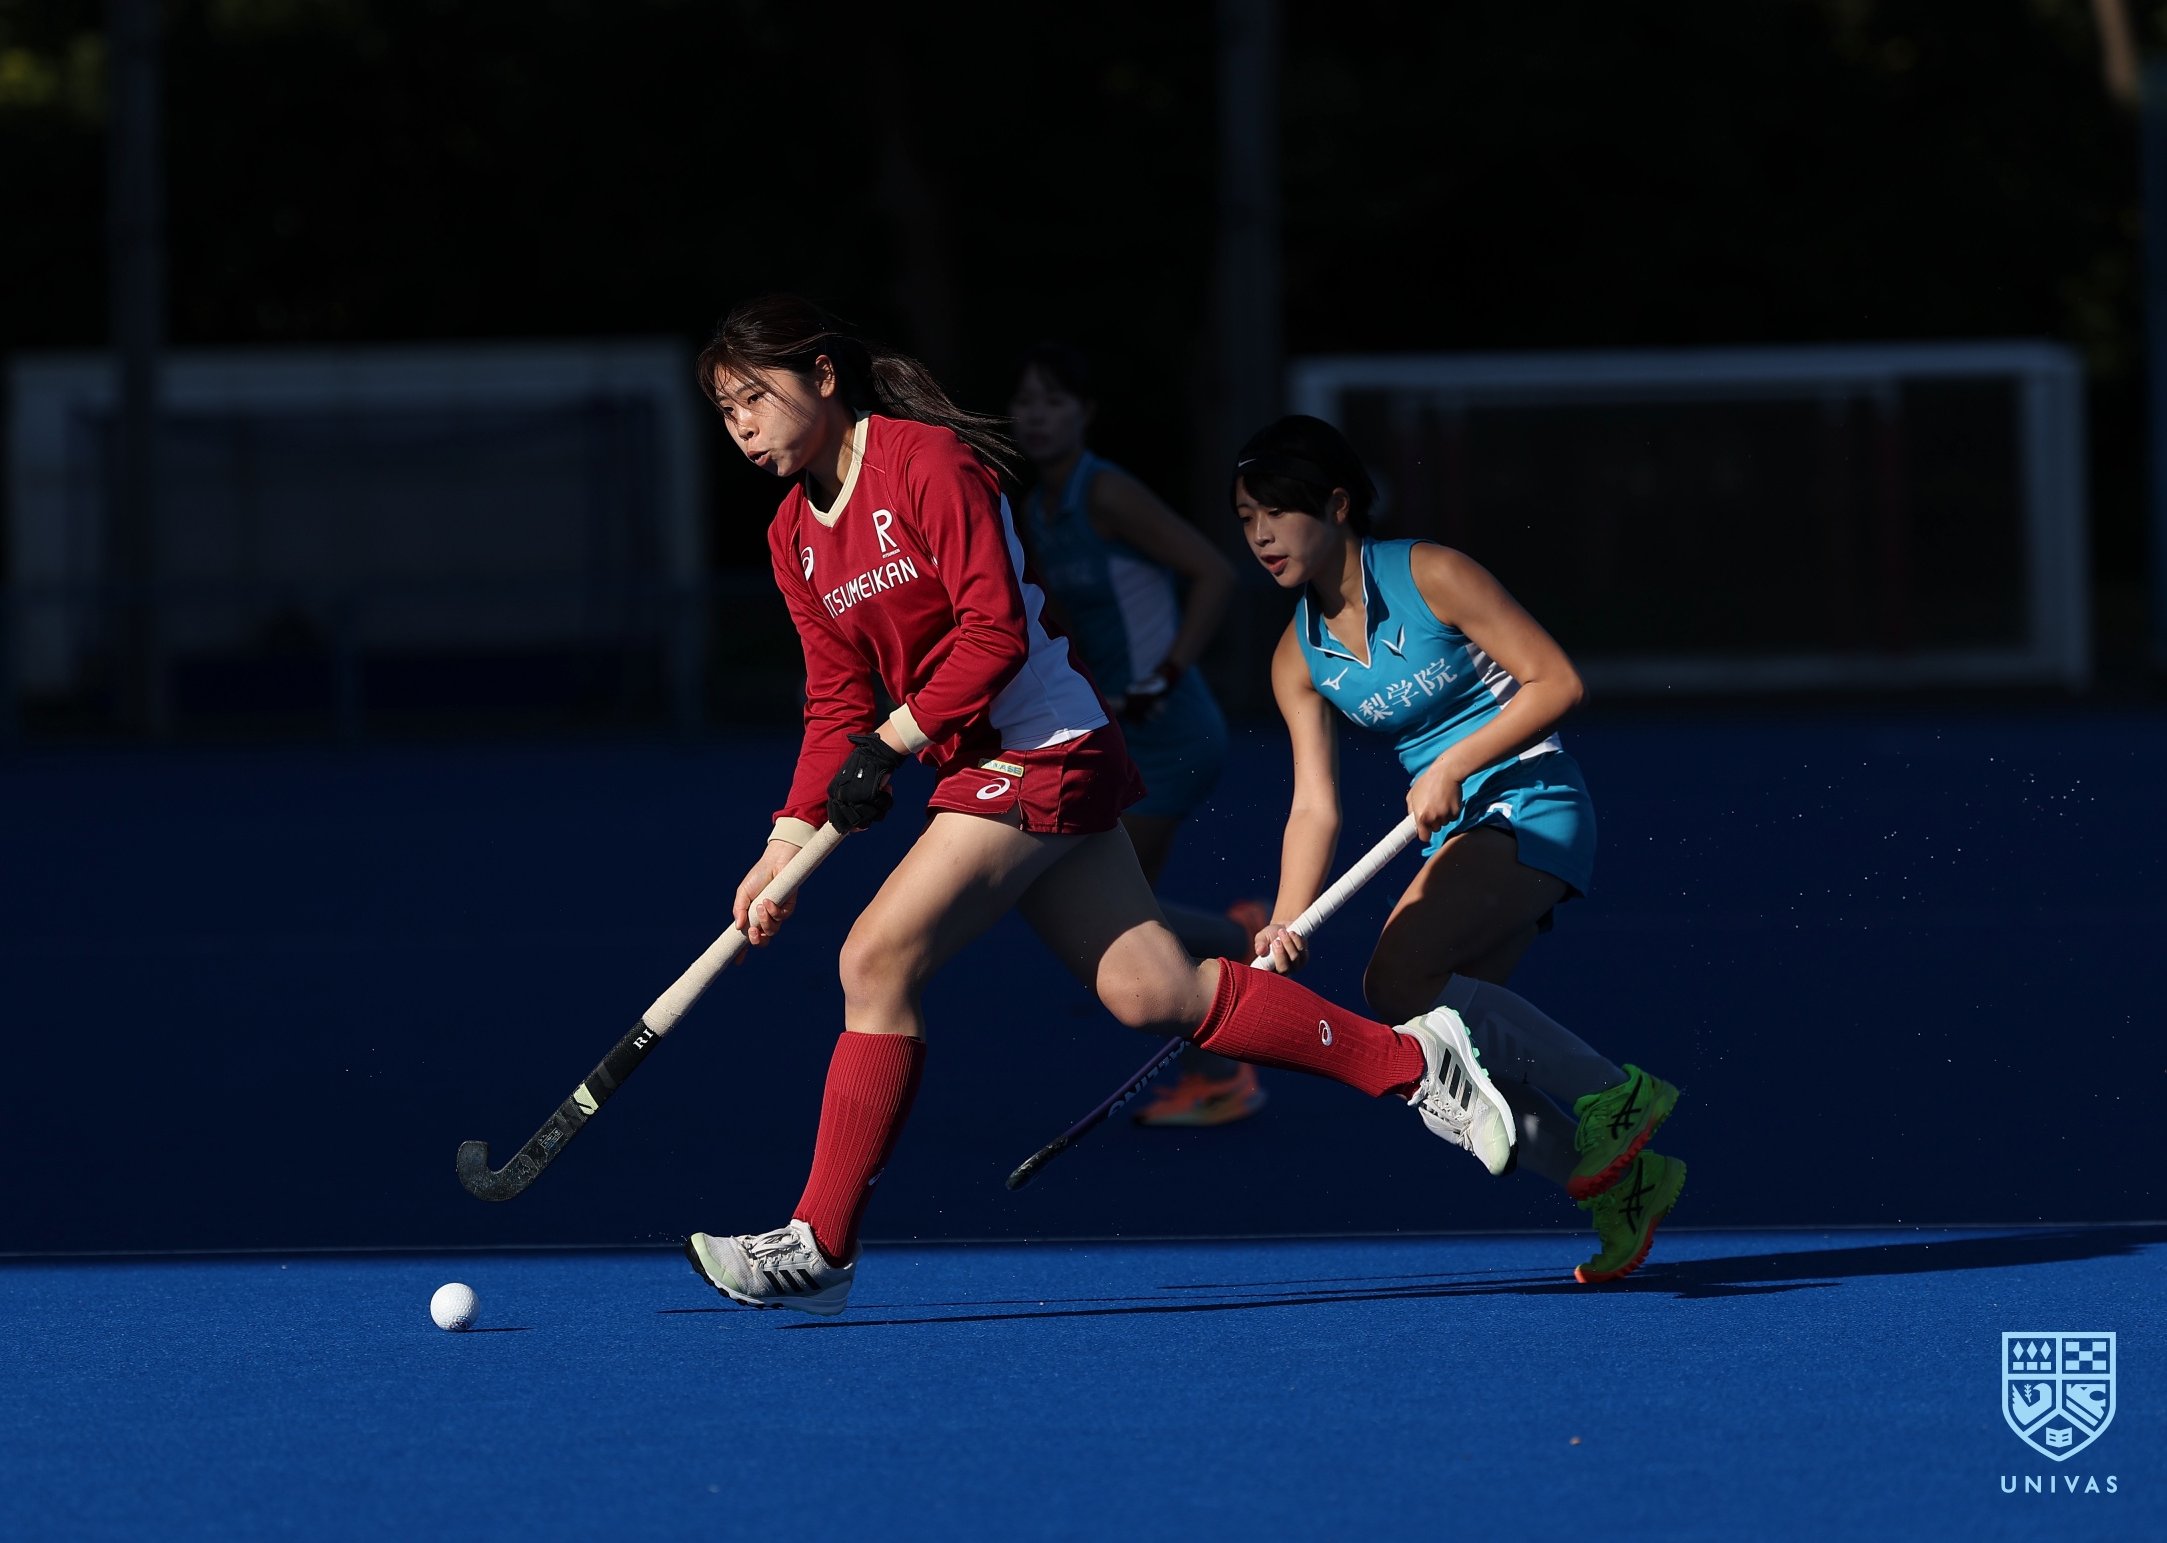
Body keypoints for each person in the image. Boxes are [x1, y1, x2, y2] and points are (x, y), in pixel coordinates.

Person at [681, 297, 1521, 1316]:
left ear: (822, 375)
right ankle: (1417, 1062)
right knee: (1151, 991)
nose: (743, 428)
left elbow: (992, 636)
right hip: (980, 760)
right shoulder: (793, 537)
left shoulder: (927, 463)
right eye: (725, 412)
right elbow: (833, 703)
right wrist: (784, 842)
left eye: (754, 398)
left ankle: (819, 1245)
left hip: (1044, 742)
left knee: (875, 959)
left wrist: (891, 746)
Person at [1231, 414, 1685, 1284]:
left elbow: (1558, 680)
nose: (1260, 535)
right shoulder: (1297, 655)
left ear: (1336, 505)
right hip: (1460, 828)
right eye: (1246, 517)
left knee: (1394, 979)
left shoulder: (1430, 573)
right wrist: (1287, 922)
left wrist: (1453, 764)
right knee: (1456, 1048)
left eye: (1277, 511)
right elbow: (1313, 806)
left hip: (1533, 801)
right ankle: (1623, 1190)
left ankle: (1617, 1094)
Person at [1006, 342, 1266, 1127]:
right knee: (1111, 912)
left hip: (1171, 731)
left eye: (1054, 402)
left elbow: (1216, 571)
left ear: (1086, 414)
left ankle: (1225, 1062)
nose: (1037, 417)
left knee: (1122, 920)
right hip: (1116, 731)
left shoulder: (1107, 492)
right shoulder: (1036, 508)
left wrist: (1168, 673)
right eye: (1026, 403)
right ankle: (1233, 944)